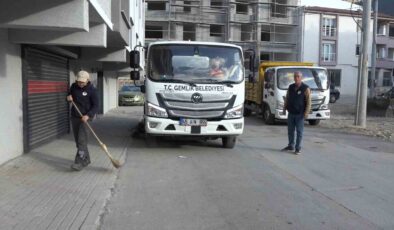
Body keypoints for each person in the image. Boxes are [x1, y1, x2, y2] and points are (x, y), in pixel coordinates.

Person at [66, 70, 99, 171]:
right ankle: (86, 159)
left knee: (81, 141)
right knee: (79, 142)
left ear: (87, 80)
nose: (80, 84)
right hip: (75, 117)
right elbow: (68, 96)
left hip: (86, 119)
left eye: (82, 82)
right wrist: (68, 98)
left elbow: (96, 106)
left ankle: (79, 162)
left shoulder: (92, 90)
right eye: (79, 81)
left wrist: (88, 115)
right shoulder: (73, 87)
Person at [281, 71, 311, 155]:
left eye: (298, 76)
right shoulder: (290, 87)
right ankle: (291, 145)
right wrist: (284, 109)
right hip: (291, 113)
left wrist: (306, 113)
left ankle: (298, 148)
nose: (296, 78)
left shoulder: (305, 88)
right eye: (295, 76)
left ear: (301, 78)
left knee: (299, 132)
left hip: (300, 114)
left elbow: (309, 102)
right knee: (290, 131)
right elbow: (287, 98)